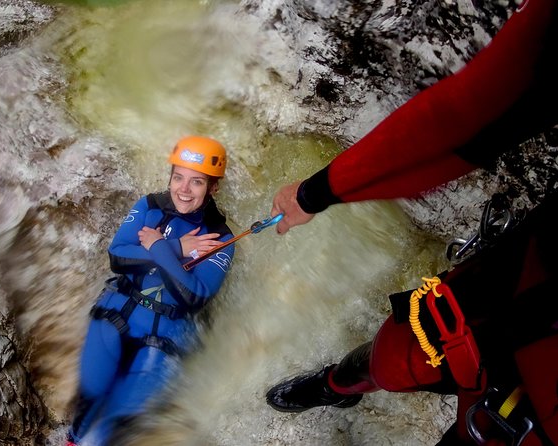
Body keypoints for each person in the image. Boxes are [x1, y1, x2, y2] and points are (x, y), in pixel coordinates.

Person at [266, 0, 558, 444]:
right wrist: (315, 193)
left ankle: (341, 384)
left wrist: (317, 193)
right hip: (529, 294)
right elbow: (467, 117)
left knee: (402, 356)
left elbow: (466, 119)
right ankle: (340, 385)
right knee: (394, 357)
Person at [66, 136, 235, 445]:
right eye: (178, 177)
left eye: (196, 182)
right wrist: (177, 247)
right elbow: (118, 257)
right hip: (117, 314)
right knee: (90, 393)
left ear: (213, 188)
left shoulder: (220, 238)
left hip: (166, 336)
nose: (183, 189)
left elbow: (194, 295)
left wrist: (157, 245)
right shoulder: (149, 206)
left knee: (121, 423)